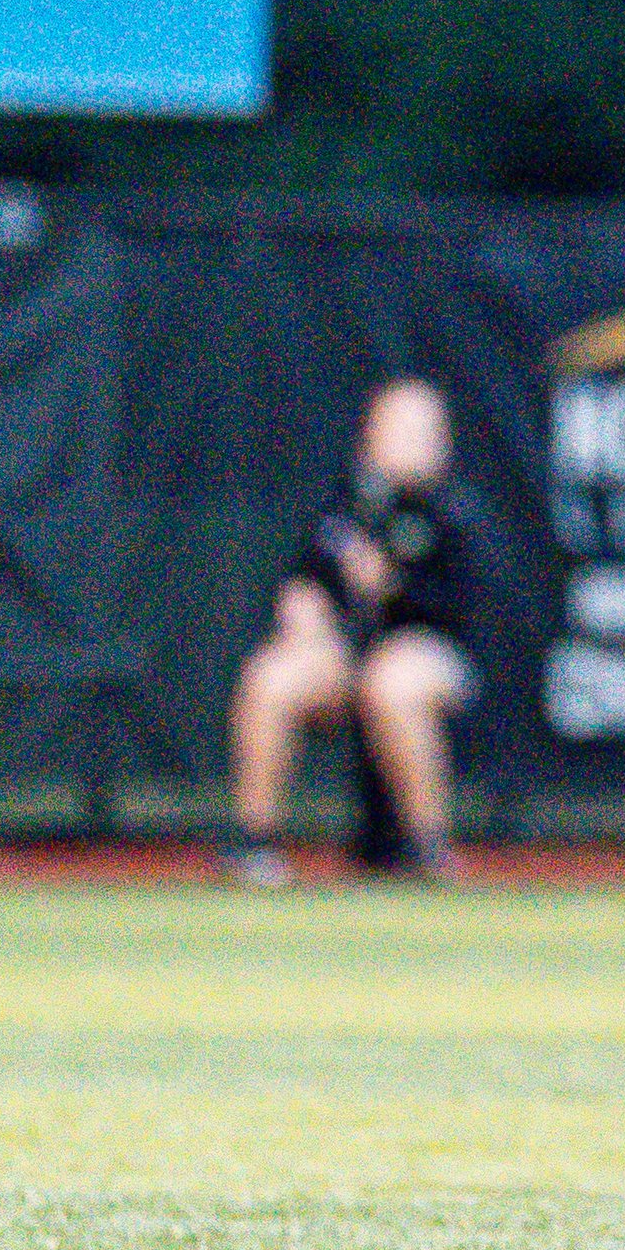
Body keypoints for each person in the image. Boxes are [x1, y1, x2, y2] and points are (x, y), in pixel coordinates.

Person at [225, 376, 473, 885]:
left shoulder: (456, 513)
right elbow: (306, 587)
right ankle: (254, 844)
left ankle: (429, 851)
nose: (414, 443)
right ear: (372, 434)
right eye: (401, 430)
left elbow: (462, 612)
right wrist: (306, 611)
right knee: (270, 676)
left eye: (426, 432)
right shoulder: (342, 505)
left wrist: (392, 588)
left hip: (427, 662)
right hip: (344, 659)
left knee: (393, 681)